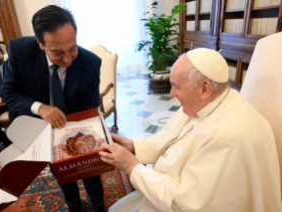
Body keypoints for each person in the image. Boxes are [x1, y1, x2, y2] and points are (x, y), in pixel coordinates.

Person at [99, 48, 282, 212]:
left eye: (177, 86)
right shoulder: (204, 101)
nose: (171, 94)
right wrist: (133, 146)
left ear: (204, 89)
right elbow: (168, 139)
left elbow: (185, 203)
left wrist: (132, 166)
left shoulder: (231, 136)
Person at [0, 5, 105, 212]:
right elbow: (8, 92)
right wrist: (40, 108)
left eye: (72, 49)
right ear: (40, 43)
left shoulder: (90, 63)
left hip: (77, 119)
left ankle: (100, 205)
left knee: (89, 169)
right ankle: (74, 205)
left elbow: (89, 106)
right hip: (42, 126)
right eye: (57, 53)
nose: (67, 60)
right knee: (60, 169)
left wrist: (78, 138)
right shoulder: (20, 52)